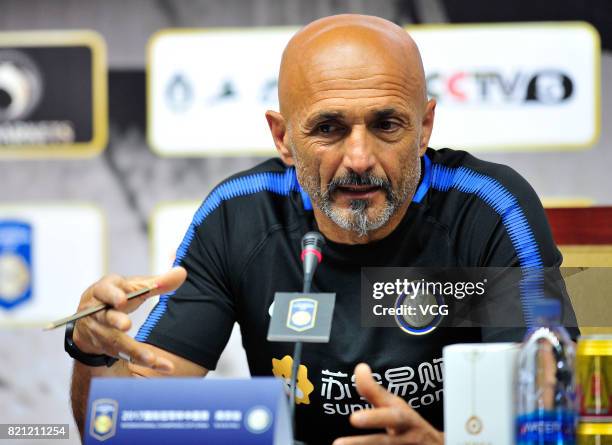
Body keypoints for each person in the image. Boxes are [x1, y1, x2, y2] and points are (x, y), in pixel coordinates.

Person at [67, 14, 577, 445]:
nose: (358, 159)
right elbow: (125, 424)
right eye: (329, 129)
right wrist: (94, 352)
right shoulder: (239, 215)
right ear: (284, 138)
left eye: (386, 125)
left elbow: (548, 414)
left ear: (424, 129)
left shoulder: (487, 208)